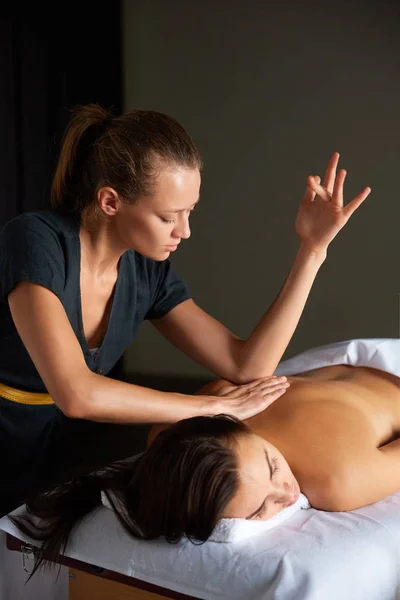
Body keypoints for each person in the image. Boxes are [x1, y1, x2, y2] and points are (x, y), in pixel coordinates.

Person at [0, 103, 370, 517]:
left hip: (54, 445)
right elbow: (76, 393)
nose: (185, 231)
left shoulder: (146, 272)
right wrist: (212, 407)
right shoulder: (36, 242)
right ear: (109, 201)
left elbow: (245, 366)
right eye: (167, 217)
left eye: (189, 212)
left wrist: (312, 250)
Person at [11, 353, 400, 578]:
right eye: (262, 509)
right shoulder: (170, 434)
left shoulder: (340, 478)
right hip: (344, 377)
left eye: (272, 465)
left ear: (229, 420)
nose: (288, 492)